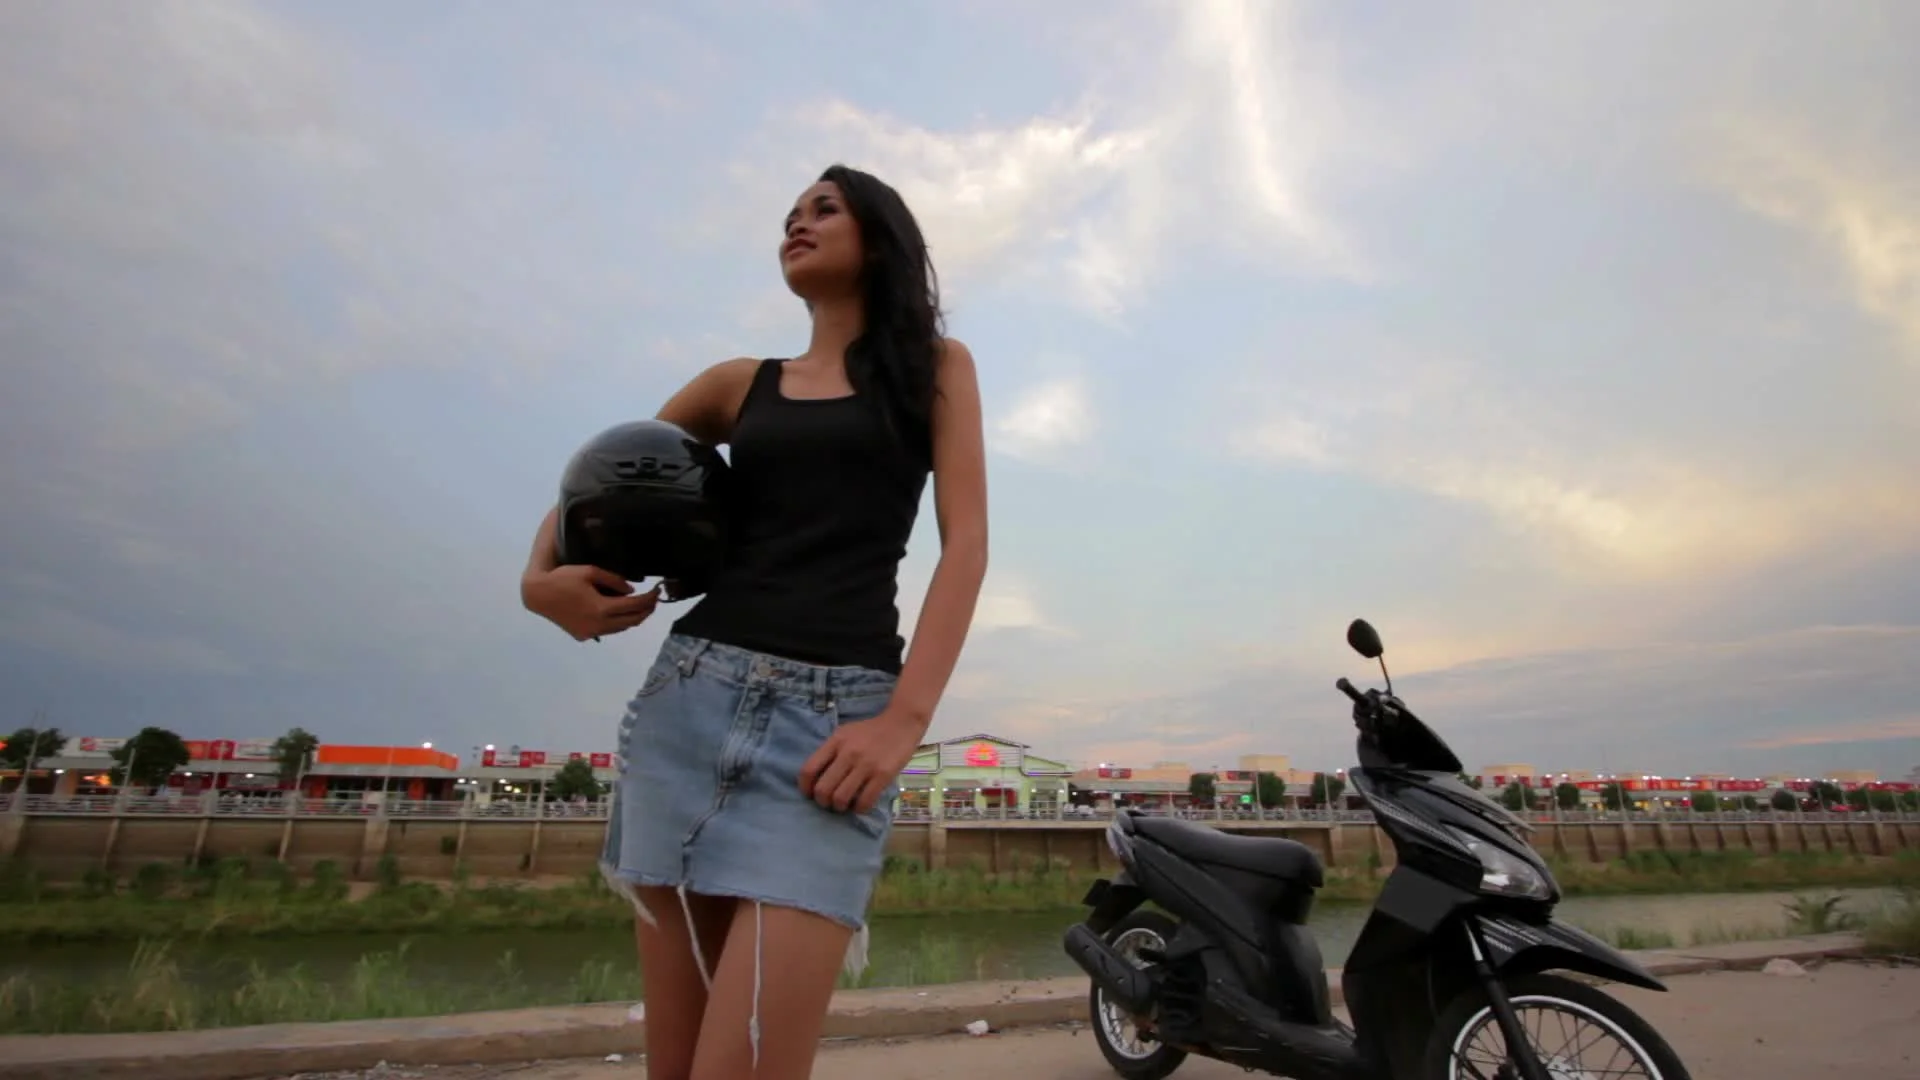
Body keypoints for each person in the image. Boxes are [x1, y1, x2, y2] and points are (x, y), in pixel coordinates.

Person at [518, 164, 988, 1080]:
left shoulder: (935, 369)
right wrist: (539, 582)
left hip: (832, 733)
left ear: (880, 240)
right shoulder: (737, 385)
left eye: (823, 210)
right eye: (788, 216)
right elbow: (599, 483)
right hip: (690, 704)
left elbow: (964, 545)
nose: (797, 225)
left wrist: (903, 721)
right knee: (679, 1067)